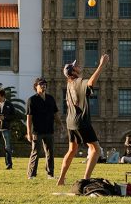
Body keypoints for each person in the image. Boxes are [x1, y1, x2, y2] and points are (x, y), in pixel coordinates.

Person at [56, 54, 110, 186]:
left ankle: (61, 179)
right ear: (73, 72)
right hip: (81, 121)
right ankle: (86, 179)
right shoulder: (78, 81)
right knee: (96, 149)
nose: (78, 66)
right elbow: (91, 83)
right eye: (75, 66)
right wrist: (101, 66)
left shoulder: (69, 84)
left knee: (72, 150)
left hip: (70, 122)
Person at [26, 77, 62, 179]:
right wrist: (28, 133)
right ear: (36, 86)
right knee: (35, 153)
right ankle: (31, 175)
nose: (43, 85)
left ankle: (50, 174)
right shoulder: (32, 100)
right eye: (41, 84)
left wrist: (61, 124)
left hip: (49, 130)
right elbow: (29, 117)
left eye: (45, 84)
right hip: (37, 132)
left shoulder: (50, 98)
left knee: (50, 153)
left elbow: (55, 113)